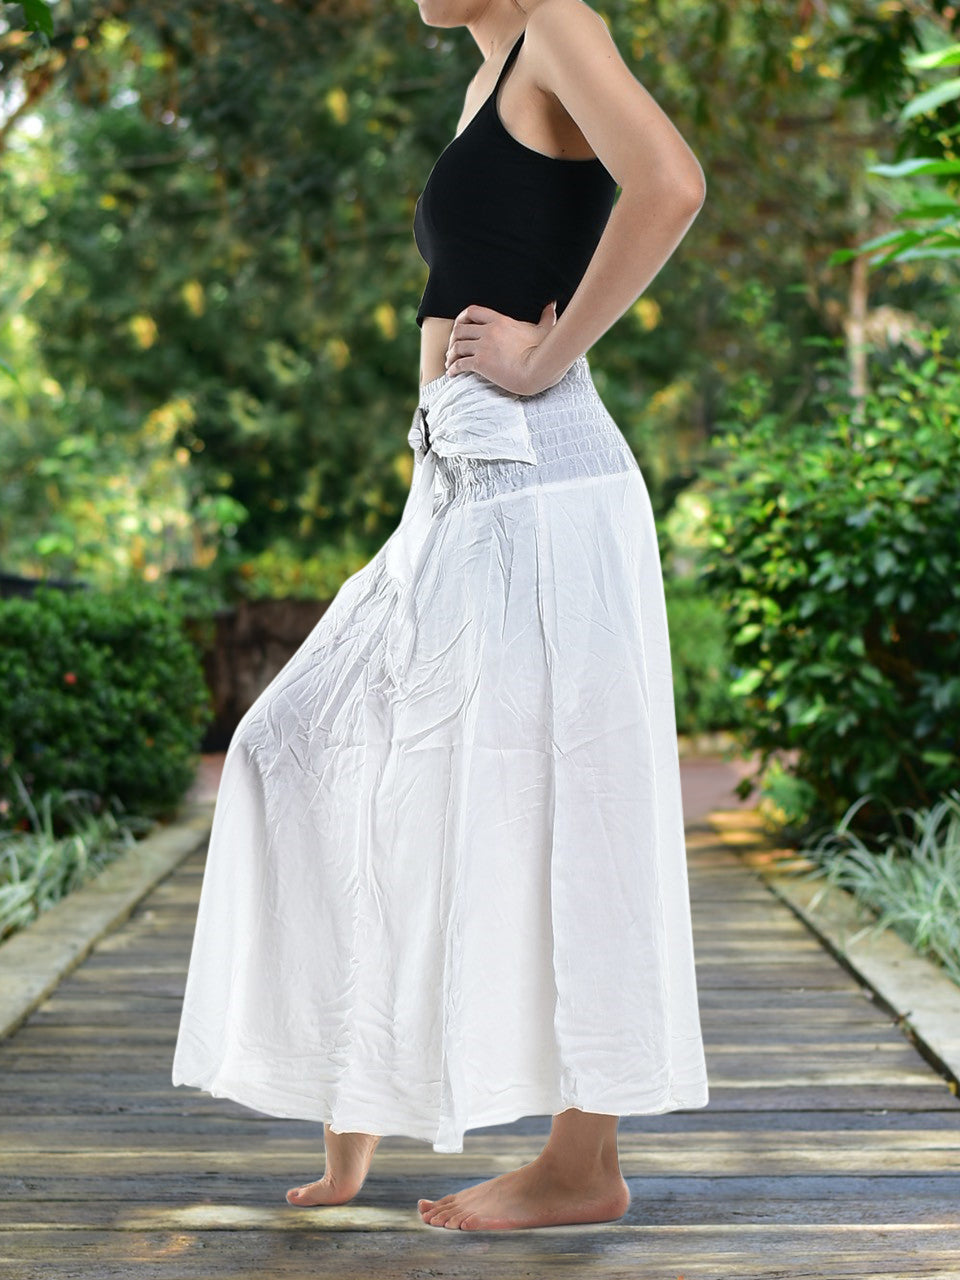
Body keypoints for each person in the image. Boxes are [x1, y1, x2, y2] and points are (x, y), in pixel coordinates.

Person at [171, 0, 710, 1233]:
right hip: (461, 484)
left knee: (570, 806)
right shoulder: (490, 77)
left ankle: (583, 1161)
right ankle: (357, 1089)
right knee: (298, 749)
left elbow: (670, 183)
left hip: (539, 476)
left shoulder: (559, 20)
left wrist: (546, 353)